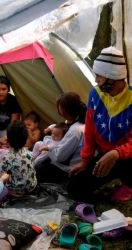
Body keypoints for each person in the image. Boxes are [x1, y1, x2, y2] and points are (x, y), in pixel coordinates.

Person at [68, 47, 132, 202]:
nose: (96, 80)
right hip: (105, 156)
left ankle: (126, 184)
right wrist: (85, 160)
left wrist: (116, 153)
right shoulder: (95, 94)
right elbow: (89, 130)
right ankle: (111, 184)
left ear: (112, 77)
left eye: (99, 76)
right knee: (74, 187)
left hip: (126, 158)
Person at [34, 92, 86, 183]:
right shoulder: (71, 122)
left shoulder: (76, 130)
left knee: (38, 168)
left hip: (66, 169)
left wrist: (47, 148)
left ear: (64, 111)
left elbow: (60, 157)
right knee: (38, 149)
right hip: (61, 159)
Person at [0, 120, 37, 196]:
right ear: (26, 139)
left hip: (17, 191)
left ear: (8, 140)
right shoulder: (28, 153)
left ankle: (10, 192)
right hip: (32, 186)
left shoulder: (7, 158)